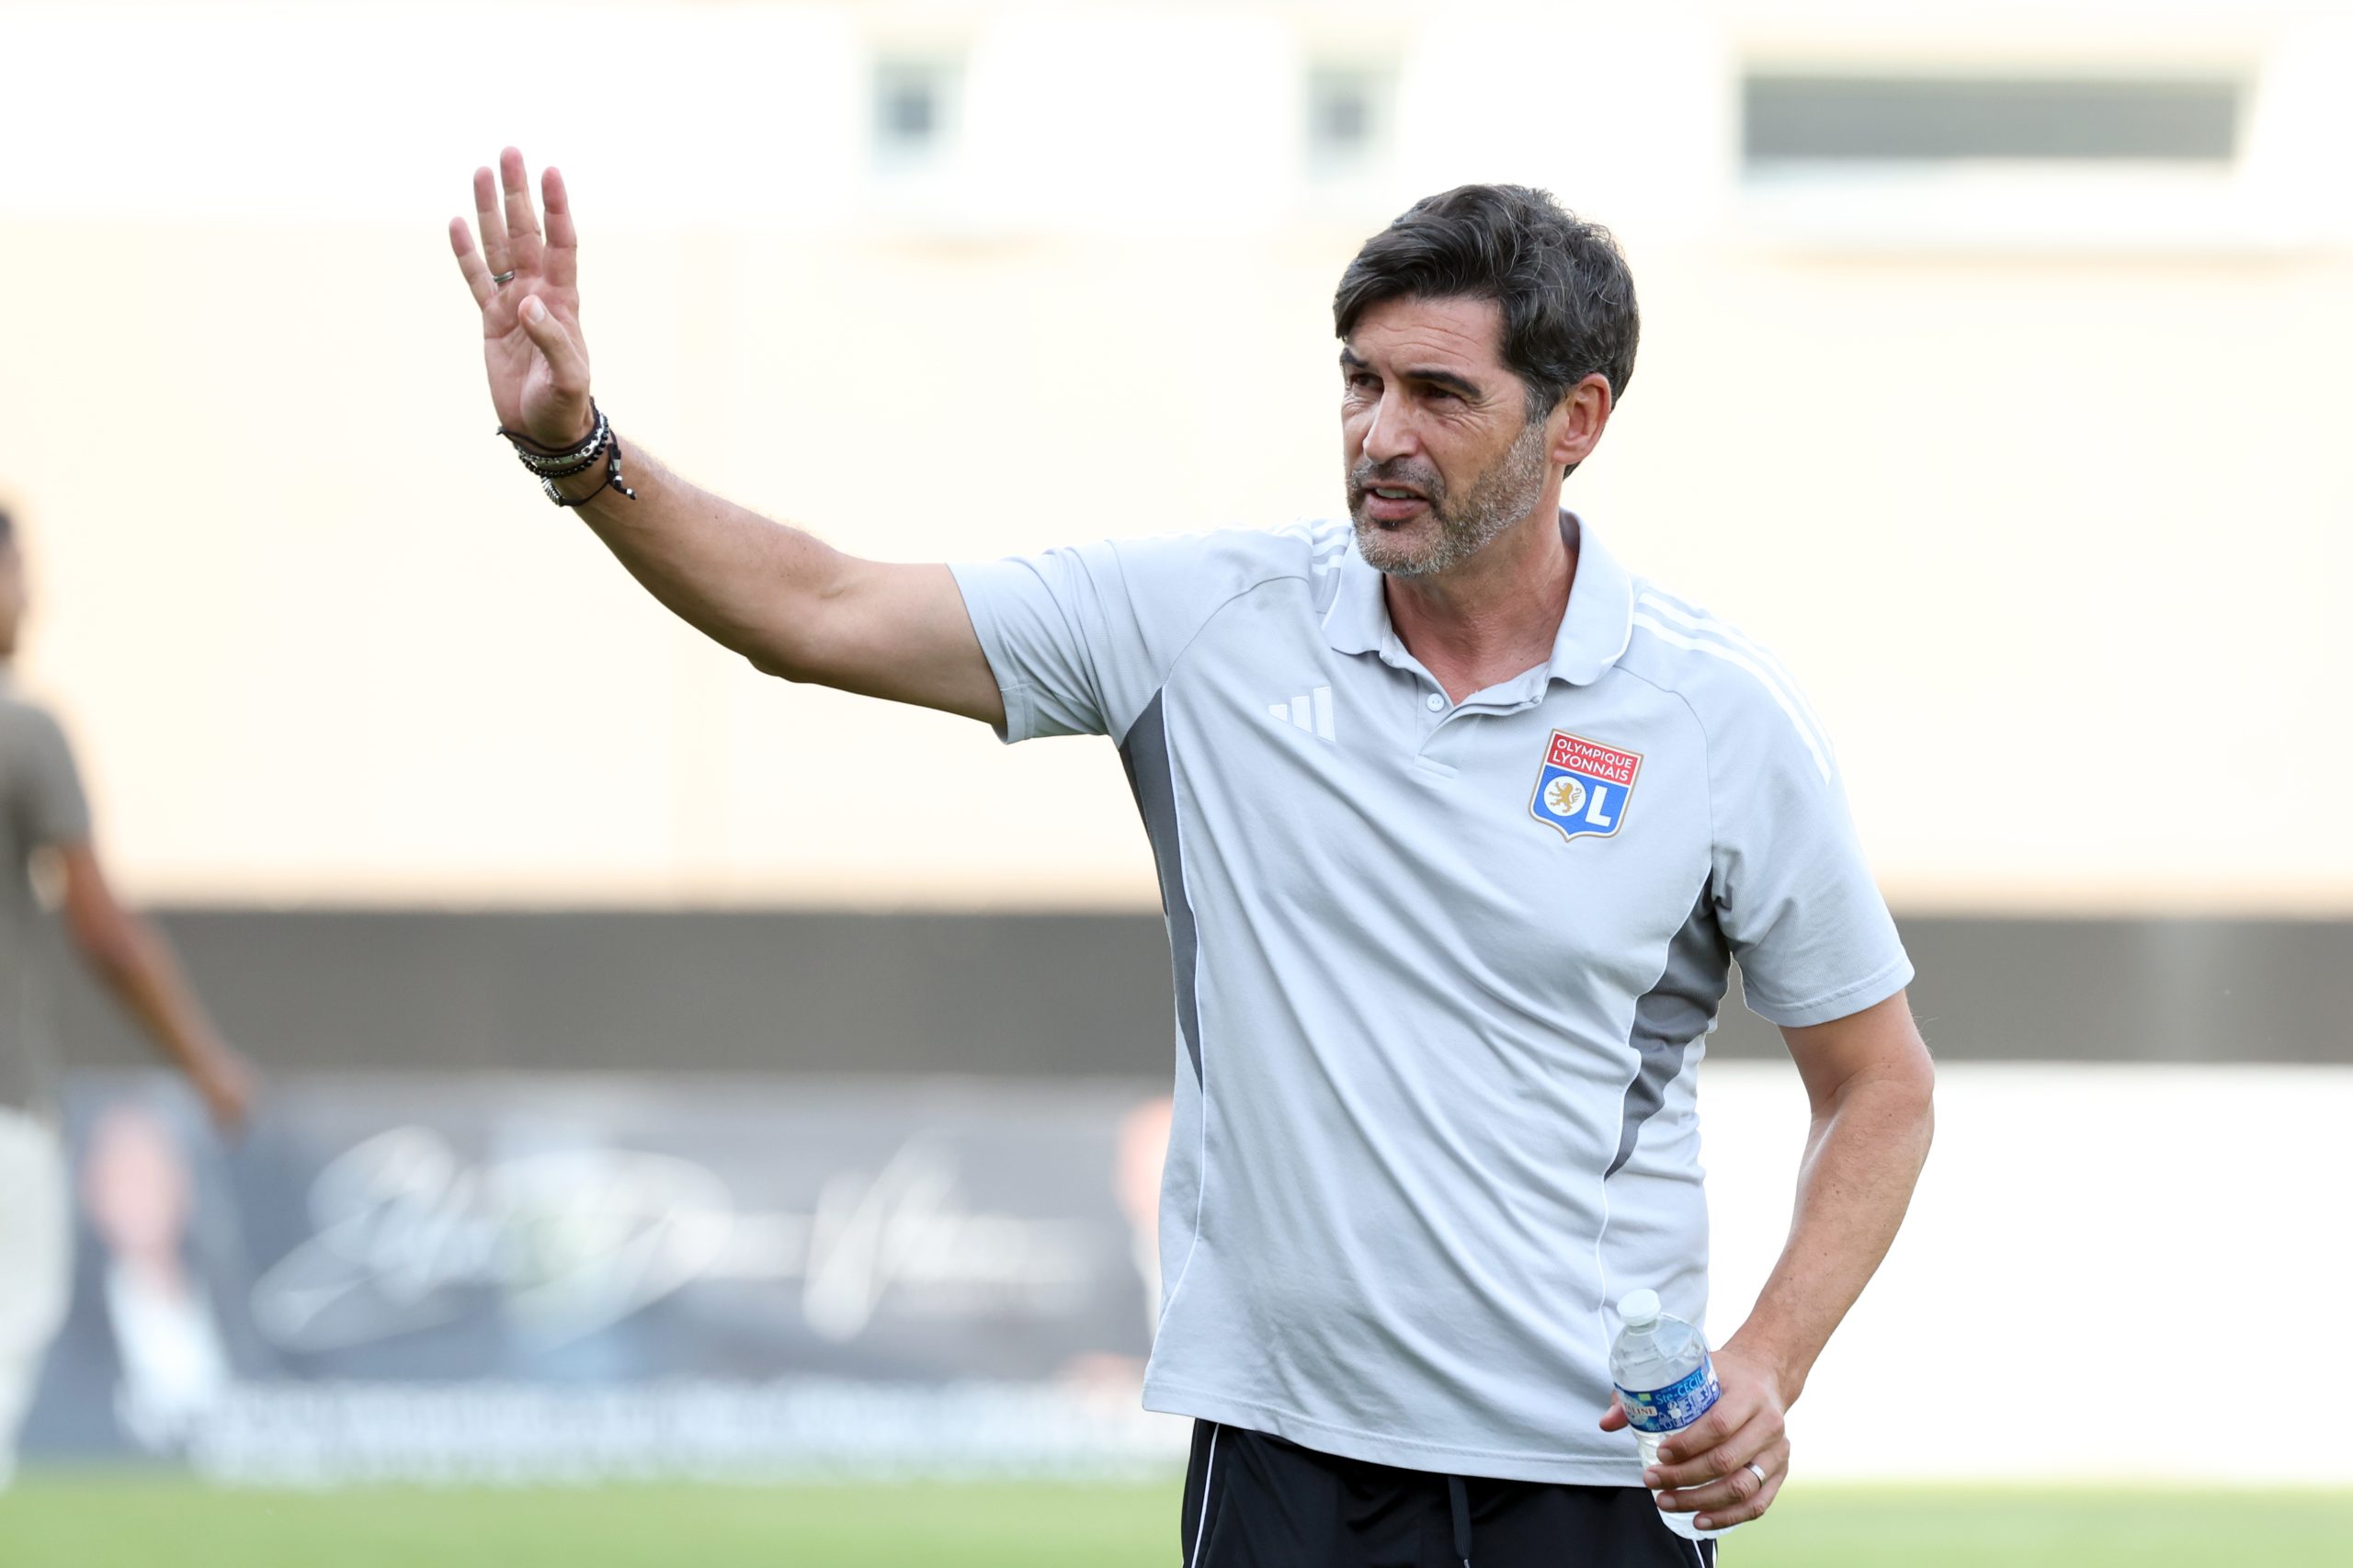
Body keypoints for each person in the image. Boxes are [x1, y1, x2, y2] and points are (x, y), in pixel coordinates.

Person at [449, 152, 1935, 1567]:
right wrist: (578, 451)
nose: (1379, 434)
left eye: (1438, 393)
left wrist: (1767, 1359)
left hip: (1597, 1471)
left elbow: (1878, 1084)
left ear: (1577, 420)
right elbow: (821, 611)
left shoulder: (1715, 719)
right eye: (1359, 381)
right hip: (1287, 1457)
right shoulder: (1201, 626)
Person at [0, 505, 256, 1485]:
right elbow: (103, 930)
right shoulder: (24, 732)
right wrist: (203, 1062)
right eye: (19, 572)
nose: (34, 597)